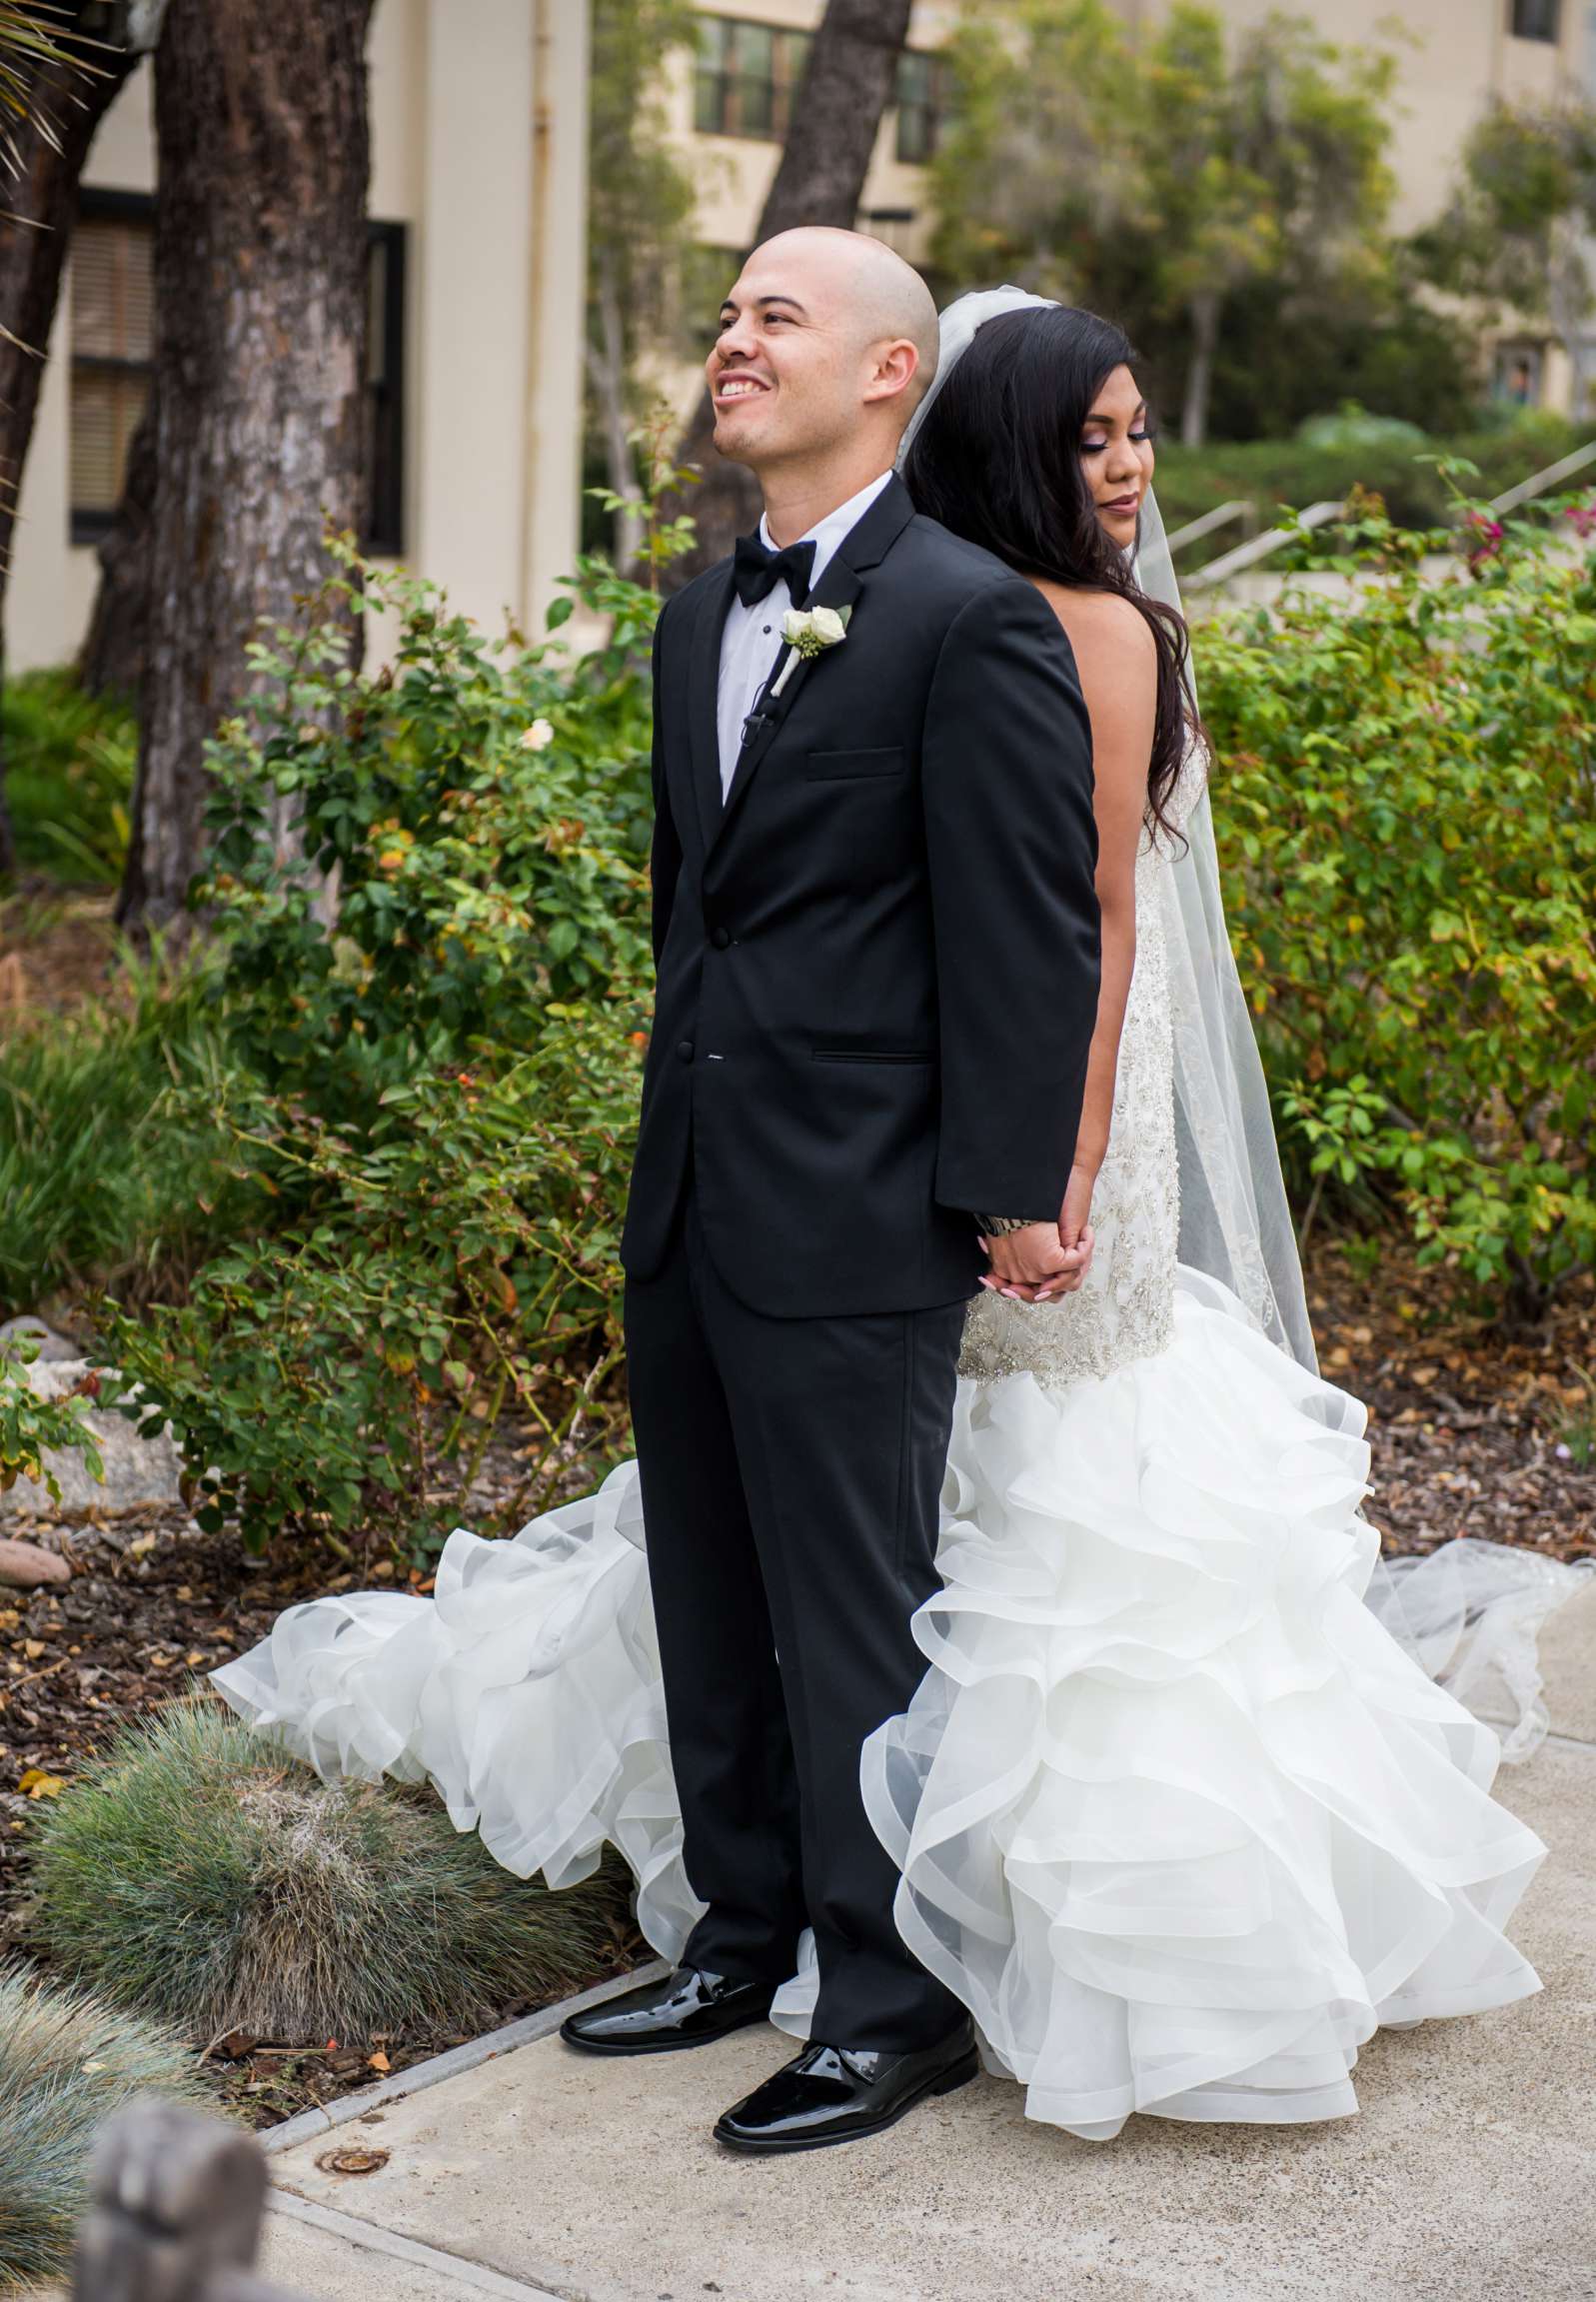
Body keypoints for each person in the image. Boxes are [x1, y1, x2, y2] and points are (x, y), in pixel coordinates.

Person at [216, 270, 1586, 2148]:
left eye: (775, 313)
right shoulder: (700, 609)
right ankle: (737, 1925)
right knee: (711, 1578)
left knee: (861, 1612)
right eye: (721, 312)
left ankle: (884, 1998)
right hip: (696, 1185)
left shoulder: (972, 617)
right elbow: (695, 913)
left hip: (864, 1204)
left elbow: (1033, 932)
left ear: (886, 373)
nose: (731, 340)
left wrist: (1015, 1189)